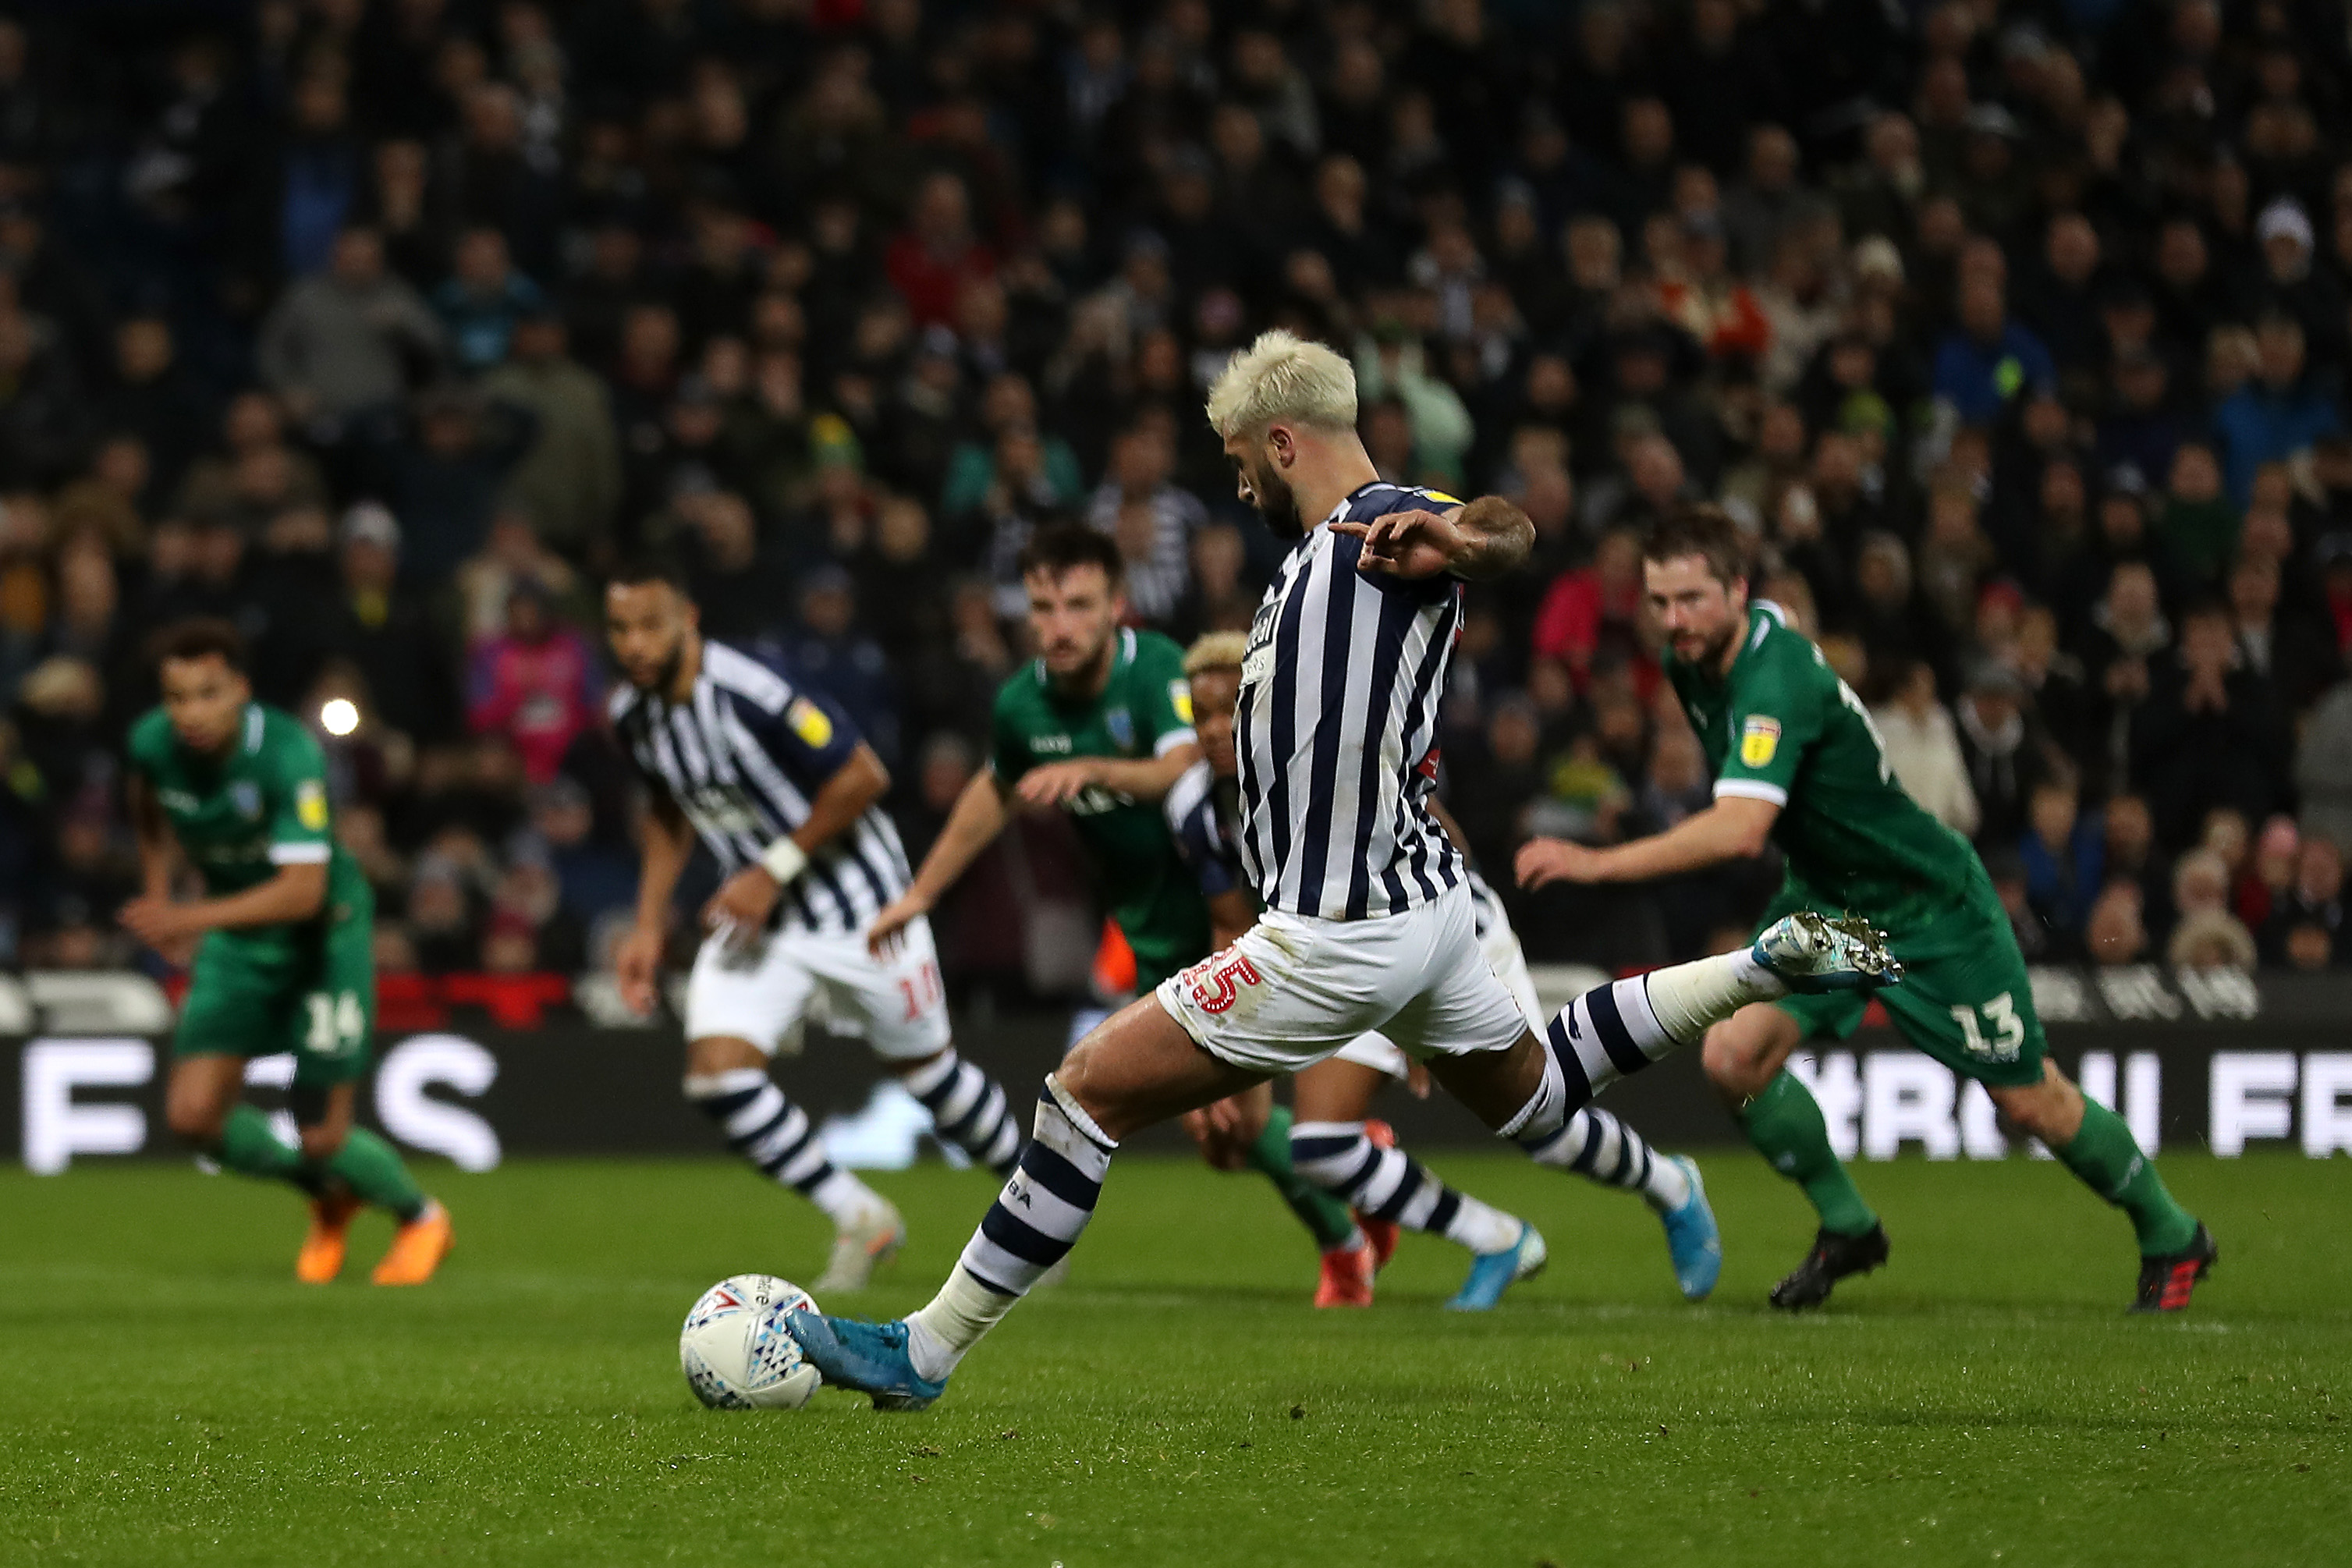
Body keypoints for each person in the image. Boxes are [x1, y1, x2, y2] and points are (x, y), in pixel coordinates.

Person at [788, 330, 1893, 1410]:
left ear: (1279, 443)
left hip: (1339, 925)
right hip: (1423, 906)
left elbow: (1505, 531)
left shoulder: (1378, 528)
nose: (1234, 491)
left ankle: (921, 1351)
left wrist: (1457, 540)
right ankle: (1757, 965)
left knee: (1082, 1096)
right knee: (1537, 1094)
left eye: (1234, 465)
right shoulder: (1318, 559)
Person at [1518, 506, 2215, 1314]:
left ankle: (2173, 1232)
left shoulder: (1773, 678)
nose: (1675, 620)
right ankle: (1849, 1226)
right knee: (1733, 1061)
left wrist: (1597, 864)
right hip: (1835, 911)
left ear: (1736, 590)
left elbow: (1743, 829)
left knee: (2028, 1100)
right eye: (1661, 601)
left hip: (1926, 907)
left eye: (1693, 599)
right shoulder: (1700, 656)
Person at [864, 524, 1368, 1283]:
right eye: (1043, 608)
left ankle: (1351, 1234)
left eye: (1076, 605)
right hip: (1147, 934)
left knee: (1231, 1120)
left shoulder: (1157, 669)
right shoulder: (1022, 705)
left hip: (1221, 914)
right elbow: (994, 792)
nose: (1058, 625)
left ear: (1114, 607)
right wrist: (920, 895)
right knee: (1227, 1141)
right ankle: (1358, 1183)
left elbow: (1180, 766)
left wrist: (1092, 770)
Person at [1172, 630, 1722, 1308]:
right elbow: (1232, 922)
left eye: (1222, 708)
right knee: (1319, 1146)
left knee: (1535, 1121)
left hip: (1446, 930)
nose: (1207, 729)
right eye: (1195, 715)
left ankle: (1669, 1185)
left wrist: (1434, 986)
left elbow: (1438, 836)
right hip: (1344, 954)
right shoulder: (1197, 810)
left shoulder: (1327, 755)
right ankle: (1493, 1237)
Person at [604, 561, 1027, 1293]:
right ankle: (861, 1215)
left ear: (688, 619)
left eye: (650, 625)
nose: (635, 644)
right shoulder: (630, 715)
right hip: (760, 925)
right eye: (619, 629)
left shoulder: (751, 688)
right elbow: (669, 811)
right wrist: (646, 924)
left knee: (932, 1080)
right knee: (717, 1078)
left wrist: (770, 870)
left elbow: (862, 775)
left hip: (862, 911)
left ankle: (1037, 1205)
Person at [119, 619, 451, 1286]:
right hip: (239, 938)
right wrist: (158, 890)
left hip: (321, 938)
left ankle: (419, 1215)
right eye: (177, 697)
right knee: (192, 1117)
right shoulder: (153, 745)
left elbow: (302, 891)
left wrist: (185, 915)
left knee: (322, 1135)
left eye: (208, 694)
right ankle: (329, 1195)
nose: (190, 714)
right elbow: (148, 805)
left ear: (240, 690)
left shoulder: (288, 753)